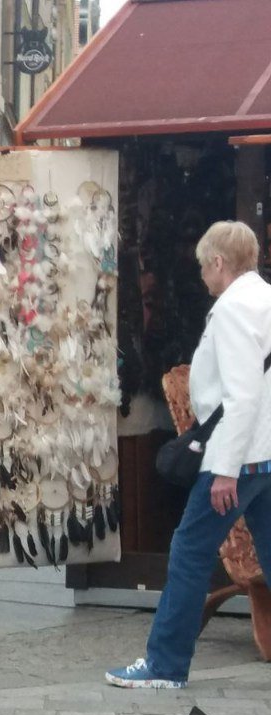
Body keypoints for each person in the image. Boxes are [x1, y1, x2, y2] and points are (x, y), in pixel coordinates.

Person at [108, 220, 271, 689]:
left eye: (203, 266)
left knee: (189, 551)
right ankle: (166, 662)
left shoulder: (234, 309)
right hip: (264, 454)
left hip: (238, 457)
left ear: (219, 262)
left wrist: (225, 470)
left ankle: (165, 663)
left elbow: (241, 397)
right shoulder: (265, 299)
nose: (201, 276)